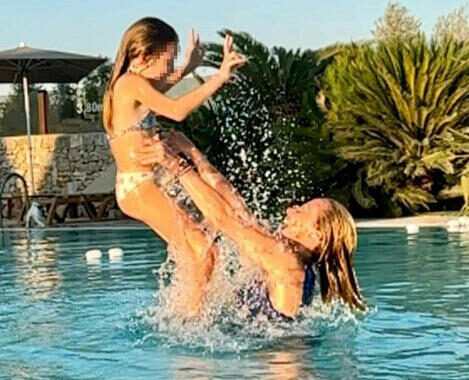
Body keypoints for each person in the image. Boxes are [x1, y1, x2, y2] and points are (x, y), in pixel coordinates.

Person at [134, 132, 366, 320]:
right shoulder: (284, 255)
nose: (290, 210)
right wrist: (193, 153)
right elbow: (236, 207)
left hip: (280, 365)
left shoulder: (286, 261)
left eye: (302, 210)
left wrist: (175, 165)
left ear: (318, 236)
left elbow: (224, 219)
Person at [102, 17, 246, 318]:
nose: (170, 69)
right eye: (167, 60)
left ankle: (193, 311)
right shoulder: (129, 84)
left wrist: (191, 66)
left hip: (147, 184)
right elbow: (177, 110)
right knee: (202, 248)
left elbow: (165, 85)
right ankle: (192, 320)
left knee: (201, 248)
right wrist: (219, 77)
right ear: (142, 56)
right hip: (137, 187)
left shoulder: (133, 84)